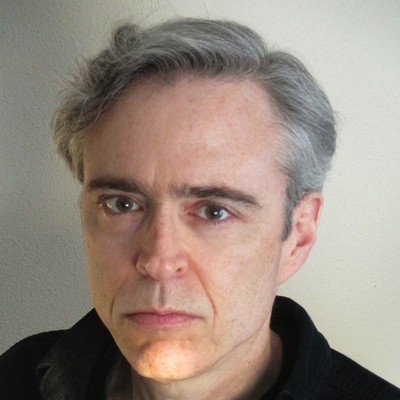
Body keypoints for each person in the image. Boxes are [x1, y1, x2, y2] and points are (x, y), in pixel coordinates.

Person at [1, 18, 399, 400]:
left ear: (298, 235)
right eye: (122, 204)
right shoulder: (15, 379)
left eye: (214, 212)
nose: (159, 261)